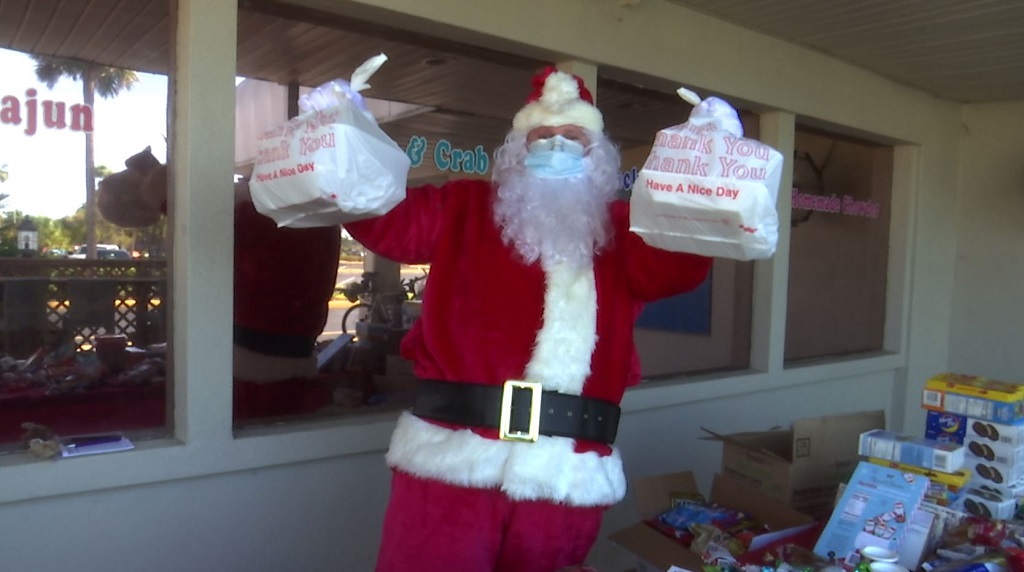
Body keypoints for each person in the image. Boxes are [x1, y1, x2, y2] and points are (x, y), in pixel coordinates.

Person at [344, 66, 714, 571]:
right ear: (518, 149)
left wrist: (708, 162)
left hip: (563, 477)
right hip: (451, 464)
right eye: (543, 137)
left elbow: (680, 264)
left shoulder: (625, 232)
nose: (557, 147)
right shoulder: (465, 207)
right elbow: (381, 219)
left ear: (598, 155)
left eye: (572, 138)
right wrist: (345, 129)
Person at [96, 147, 337, 420]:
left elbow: (206, 223)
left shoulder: (253, 220)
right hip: (285, 354)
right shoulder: (306, 212)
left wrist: (164, 191)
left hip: (253, 364)